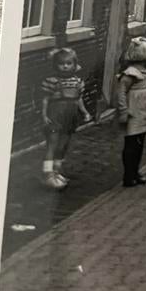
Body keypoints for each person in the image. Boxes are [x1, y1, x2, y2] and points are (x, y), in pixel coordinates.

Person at [116, 37, 146, 187]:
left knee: (139, 143)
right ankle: (128, 174)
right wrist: (123, 111)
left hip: (145, 111)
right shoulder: (130, 74)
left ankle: (136, 171)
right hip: (134, 112)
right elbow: (121, 93)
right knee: (131, 144)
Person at [41, 47, 91, 190]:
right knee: (52, 143)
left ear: (74, 65)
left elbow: (78, 99)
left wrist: (85, 112)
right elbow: (45, 100)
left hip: (70, 116)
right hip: (55, 115)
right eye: (61, 64)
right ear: (55, 65)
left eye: (69, 63)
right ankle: (48, 173)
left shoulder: (77, 82)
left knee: (63, 144)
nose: (65, 66)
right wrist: (44, 115)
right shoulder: (51, 81)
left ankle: (57, 171)